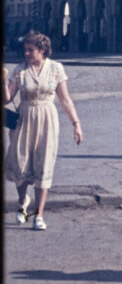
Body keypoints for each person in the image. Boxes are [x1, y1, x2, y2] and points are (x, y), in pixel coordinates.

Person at [4, 31, 83, 230]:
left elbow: (65, 100)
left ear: (42, 50)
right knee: (20, 164)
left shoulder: (56, 69)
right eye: (25, 50)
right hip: (23, 119)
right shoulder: (20, 70)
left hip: (47, 118)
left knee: (44, 163)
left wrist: (76, 123)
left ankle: (39, 214)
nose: (27, 54)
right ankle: (22, 204)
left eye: (31, 50)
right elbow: (7, 99)